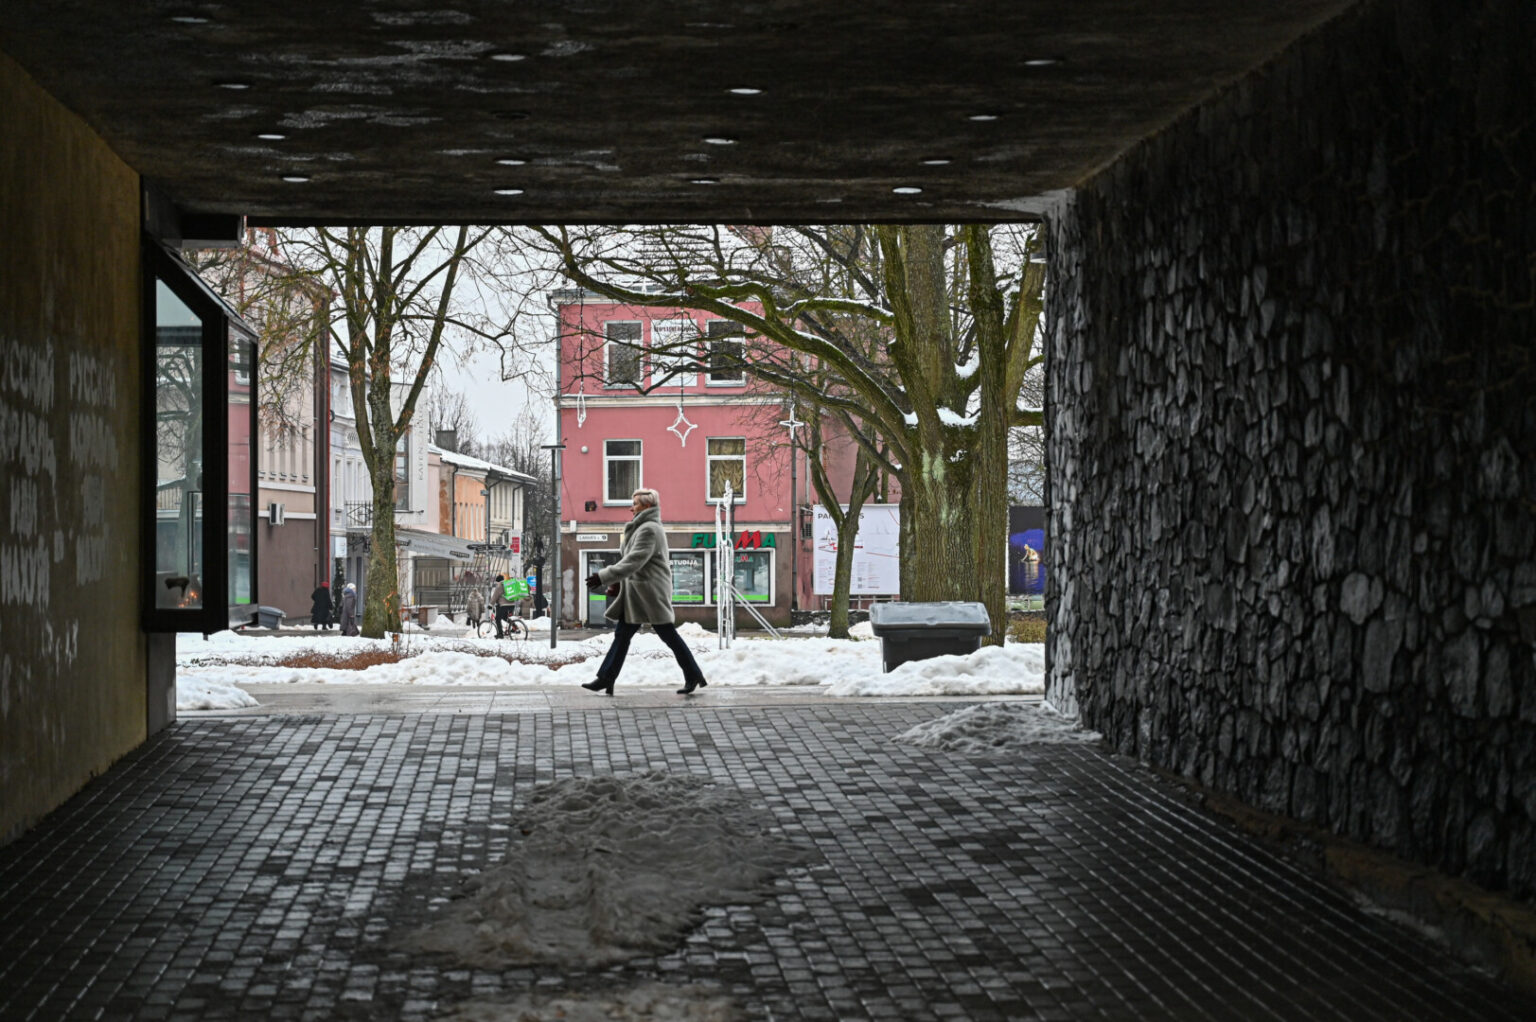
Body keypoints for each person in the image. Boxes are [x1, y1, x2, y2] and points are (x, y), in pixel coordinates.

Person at [583, 488, 707, 696]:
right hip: (637, 593)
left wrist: (603, 576)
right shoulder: (640, 528)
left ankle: (693, 674)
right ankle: (606, 678)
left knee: (668, 635)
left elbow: (634, 560)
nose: (631, 508)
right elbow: (629, 561)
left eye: (636, 504)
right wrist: (618, 583)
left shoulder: (649, 529)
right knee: (622, 635)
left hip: (650, 593)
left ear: (647, 506)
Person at [492, 574, 513, 639]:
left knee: (497, 619)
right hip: (511, 604)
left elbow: (495, 596)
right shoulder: (507, 584)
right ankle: (515, 627)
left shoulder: (499, 586)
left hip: (504, 605)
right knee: (504, 617)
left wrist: (490, 605)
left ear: (498, 581)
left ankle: (500, 634)